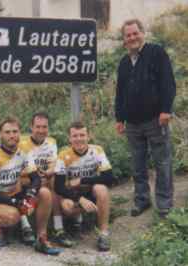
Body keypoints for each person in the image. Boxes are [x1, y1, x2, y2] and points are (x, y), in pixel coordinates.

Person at [115, 19, 176, 218]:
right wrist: (119, 118)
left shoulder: (156, 53)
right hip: (132, 123)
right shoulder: (124, 63)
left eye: (135, 33)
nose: (132, 38)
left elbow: (168, 82)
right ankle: (142, 200)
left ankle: (164, 204)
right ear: (124, 40)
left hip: (155, 120)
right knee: (137, 165)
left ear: (143, 33)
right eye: (128, 35)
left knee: (162, 163)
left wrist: (166, 110)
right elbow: (120, 92)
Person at [0, 116, 61, 255]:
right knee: (14, 216)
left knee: (44, 193)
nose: (12, 135)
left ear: (20, 133)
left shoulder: (24, 150)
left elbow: (36, 179)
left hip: (11, 195)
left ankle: (41, 238)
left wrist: (31, 193)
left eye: (15, 132)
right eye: (7, 132)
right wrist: (17, 202)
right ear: (1, 134)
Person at [54, 121, 114, 252]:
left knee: (102, 189)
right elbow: (59, 187)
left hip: (90, 192)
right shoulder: (63, 155)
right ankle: (66, 225)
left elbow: (109, 178)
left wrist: (82, 180)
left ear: (88, 136)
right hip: (72, 195)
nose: (79, 139)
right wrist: (79, 198)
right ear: (69, 138)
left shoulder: (97, 150)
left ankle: (103, 233)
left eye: (82, 135)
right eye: (75, 136)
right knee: (67, 206)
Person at [19, 112, 73, 247]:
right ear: (31, 127)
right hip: (25, 180)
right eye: (38, 127)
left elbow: (53, 164)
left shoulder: (51, 141)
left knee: (56, 179)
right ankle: (25, 224)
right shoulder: (21, 143)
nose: (41, 130)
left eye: (44, 127)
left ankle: (58, 228)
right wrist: (36, 178)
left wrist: (49, 172)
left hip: (43, 178)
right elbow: (16, 170)